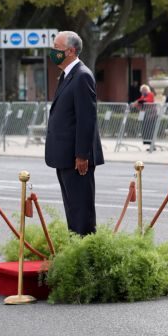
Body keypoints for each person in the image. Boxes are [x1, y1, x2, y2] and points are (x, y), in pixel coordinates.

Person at [44, 31, 104, 235]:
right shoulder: (67, 75)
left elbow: (86, 119)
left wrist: (82, 155)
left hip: (77, 159)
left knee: (81, 212)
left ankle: (85, 255)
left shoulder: (82, 76)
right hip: (64, 156)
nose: (53, 52)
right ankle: (75, 250)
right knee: (72, 209)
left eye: (57, 48)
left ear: (70, 51)